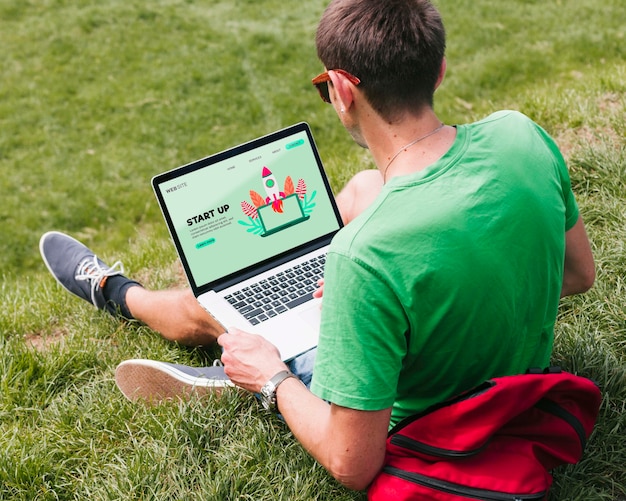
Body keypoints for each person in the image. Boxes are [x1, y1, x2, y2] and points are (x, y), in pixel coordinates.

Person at [39, 0, 595, 491]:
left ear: (343, 90)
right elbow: (578, 275)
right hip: (514, 365)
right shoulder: (521, 135)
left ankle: (118, 293)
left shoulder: (361, 256)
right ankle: (179, 307)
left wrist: (272, 377)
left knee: (211, 306)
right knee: (360, 190)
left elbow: (352, 464)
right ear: (440, 69)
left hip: (420, 410)